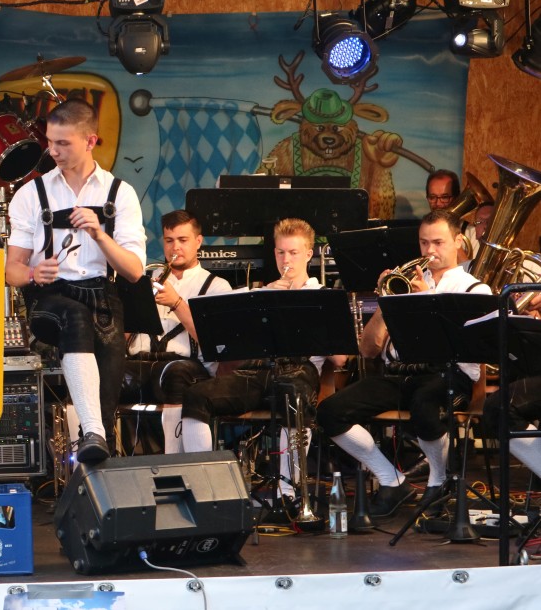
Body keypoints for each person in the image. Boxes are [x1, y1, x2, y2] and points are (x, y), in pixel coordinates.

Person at [317, 210, 493, 518]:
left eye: (438, 242)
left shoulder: (474, 290)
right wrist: (385, 301)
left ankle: (438, 481)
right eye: (424, 243)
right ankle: (391, 480)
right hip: (401, 374)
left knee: (425, 404)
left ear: (458, 242)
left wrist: (425, 301)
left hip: (449, 374)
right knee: (330, 411)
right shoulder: (408, 283)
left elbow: (461, 349)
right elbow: (368, 350)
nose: (429, 251)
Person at [5, 98, 145, 464]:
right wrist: (33, 273)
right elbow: (10, 271)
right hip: (49, 300)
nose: (53, 151)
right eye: (50, 142)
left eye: (63, 143)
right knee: (74, 317)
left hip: (103, 298)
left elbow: (134, 271)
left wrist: (99, 234)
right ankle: (92, 430)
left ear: (90, 141)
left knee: (106, 404)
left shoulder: (120, 193)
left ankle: (96, 442)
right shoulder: (31, 194)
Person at [179, 218, 345, 505]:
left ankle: (288, 492)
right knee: (196, 395)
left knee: (294, 396)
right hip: (256, 371)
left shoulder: (322, 296)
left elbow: (341, 358)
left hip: (298, 372)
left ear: (308, 254)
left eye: (293, 253)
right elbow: (227, 340)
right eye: (280, 252)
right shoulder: (261, 292)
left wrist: (296, 309)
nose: (286, 260)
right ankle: (206, 490)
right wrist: (265, 299)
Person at [121, 209, 232, 453]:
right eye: (169, 240)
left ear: (198, 242)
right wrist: (135, 307)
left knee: (176, 373)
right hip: (141, 363)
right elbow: (123, 338)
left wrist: (177, 303)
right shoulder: (144, 279)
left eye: (183, 240)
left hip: (187, 367)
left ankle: (173, 459)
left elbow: (215, 343)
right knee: (106, 372)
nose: (175, 248)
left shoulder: (217, 286)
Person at [426, 169, 479, 260]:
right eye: (432, 197)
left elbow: (472, 269)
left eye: (445, 197)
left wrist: (450, 236)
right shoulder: (424, 230)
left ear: (456, 198)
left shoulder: (472, 233)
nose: (438, 203)